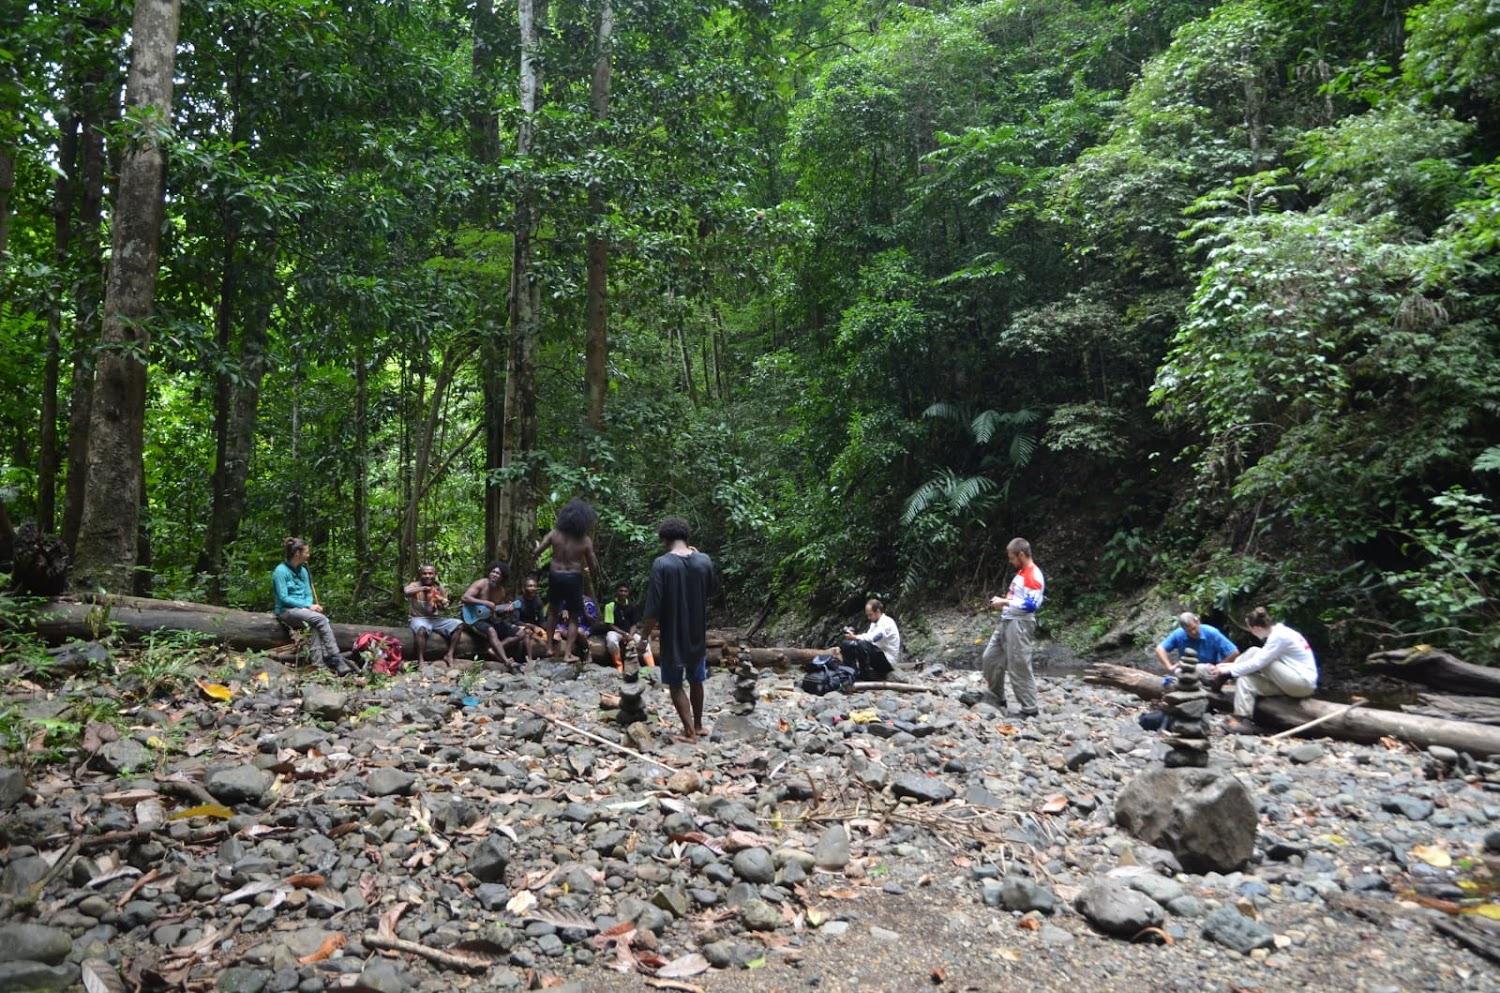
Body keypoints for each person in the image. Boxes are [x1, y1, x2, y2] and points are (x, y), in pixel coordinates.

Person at [639, 516, 716, 743]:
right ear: (686, 536)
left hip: (673, 635)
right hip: (697, 633)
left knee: (675, 683)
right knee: (696, 680)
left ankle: (689, 732)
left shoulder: (662, 564)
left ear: (664, 539)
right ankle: (699, 725)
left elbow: (653, 608)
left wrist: (644, 638)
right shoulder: (704, 560)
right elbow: (711, 590)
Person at [1207, 606, 1318, 734]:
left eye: (1251, 630)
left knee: (1255, 653)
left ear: (1257, 628)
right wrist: (1226, 667)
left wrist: (1229, 670)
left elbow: (1258, 663)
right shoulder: (1279, 632)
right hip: (1291, 682)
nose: (1251, 633)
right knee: (1245, 680)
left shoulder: (1279, 636)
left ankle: (1224, 676)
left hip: (1301, 682)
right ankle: (1242, 719)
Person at [980, 537, 1045, 716]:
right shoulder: (1022, 573)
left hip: (1020, 624)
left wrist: (1004, 602)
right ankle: (996, 696)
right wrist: (1004, 603)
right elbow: (1018, 599)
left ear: (1022, 554)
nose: (1010, 561)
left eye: (1012, 557)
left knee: (1019, 665)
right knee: (990, 658)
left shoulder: (1033, 574)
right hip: (1007, 621)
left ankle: (1029, 708)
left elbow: (1032, 605)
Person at [535, 498, 603, 662]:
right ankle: (567, 654)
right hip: (574, 577)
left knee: (552, 611)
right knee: (574, 616)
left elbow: (537, 551)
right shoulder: (585, 540)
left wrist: (535, 553)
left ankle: (549, 647)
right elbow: (593, 564)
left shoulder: (554, 534)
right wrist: (592, 573)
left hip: (555, 576)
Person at [272, 537, 351, 674]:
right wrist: (307, 606)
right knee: (321, 619)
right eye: (306, 552)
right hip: (286, 611)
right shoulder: (280, 571)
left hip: (303, 610)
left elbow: (308, 593)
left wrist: (309, 605)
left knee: (315, 625)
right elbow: (284, 598)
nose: (308, 555)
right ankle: (336, 657)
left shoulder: (303, 570)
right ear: (297, 553)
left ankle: (318, 665)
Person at [461, 561, 521, 666]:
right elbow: (465, 598)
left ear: (502, 577)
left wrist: (506, 610)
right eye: (493, 572)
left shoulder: (501, 591)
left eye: (498, 574)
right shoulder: (481, 583)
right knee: (491, 631)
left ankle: (494, 649)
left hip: (488, 618)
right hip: (472, 618)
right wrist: (485, 602)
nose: (494, 575)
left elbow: (495, 611)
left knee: (521, 633)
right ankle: (506, 661)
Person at [404, 564, 462, 666]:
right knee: (421, 628)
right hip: (418, 618)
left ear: (435, 574)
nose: (427, 576)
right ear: (420, 575)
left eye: (430, 573)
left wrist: (443, 603)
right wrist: (423, 588)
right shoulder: (416, 585)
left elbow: (442, 608)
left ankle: (449, 654)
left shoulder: (439, 588)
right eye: (425, 573)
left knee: (458, 624)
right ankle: (421, 661)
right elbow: (406, 591)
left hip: (435, 619)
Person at [829, 598, 899, 679]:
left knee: (861, 644)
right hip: (877, 655)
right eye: (867, 615)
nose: (869, 618)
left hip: (888, 660)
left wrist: (855, 637)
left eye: (870, 615)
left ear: (878, 611)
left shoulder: (886, 623)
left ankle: (865, 674)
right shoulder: (874, 623)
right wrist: (853, 638)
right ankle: (850, 671)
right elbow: (867, 637)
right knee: (847, 644)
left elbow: (872, 638)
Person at [1154, 611, 1240, 673]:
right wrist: (1169, 667)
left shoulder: (1211, 632)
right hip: (1188, 670)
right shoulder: (1179, 634)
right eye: (1189, 631)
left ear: (1198, 622)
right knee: (1179, 671)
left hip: (1211, 670)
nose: (1193, 632)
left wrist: (1219, 665)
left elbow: (1234, 652)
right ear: (1184, 630)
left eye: (1194, 628)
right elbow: (1160, 649)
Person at [602, 582, 655, 674]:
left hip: (630, 632)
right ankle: (619, 666)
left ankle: (653, 669)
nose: (623, 593)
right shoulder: (609, 606)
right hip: (616, 632)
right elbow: (610, 624)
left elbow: (634, 624)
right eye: (621, 591)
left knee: (643, 642)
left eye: (625, 591)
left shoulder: (632, 606)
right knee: (611, 640)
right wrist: (624, 634)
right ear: (617, 592)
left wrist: (630, 635)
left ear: (628, 593)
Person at [512, 575, 549, 661]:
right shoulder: (518, 601)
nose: (533, 588)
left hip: (533, 626)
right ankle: (529, 659)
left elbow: (541, 621)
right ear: (524, 588)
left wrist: (552, 629)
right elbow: (515, 620)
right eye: (530, 586)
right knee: (527, 632)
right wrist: (531, 626)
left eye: (534, 586)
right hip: (520, 625)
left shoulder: (538, 601)